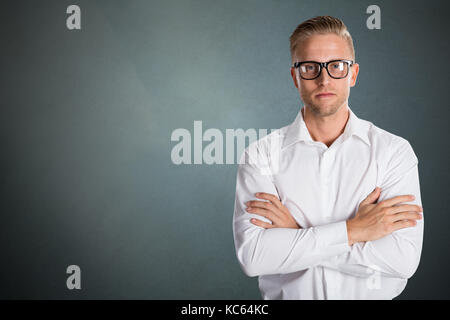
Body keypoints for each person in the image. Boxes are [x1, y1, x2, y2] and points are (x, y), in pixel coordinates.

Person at [232, 16, 424, 300]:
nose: (324, 79)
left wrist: (298, 233)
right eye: (310, 67)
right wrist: (355, 230)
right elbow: (254, 256)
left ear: (353, 74)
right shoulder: (260, 156)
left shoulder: (394, 152)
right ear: (295, 76)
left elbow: (402, 260)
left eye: (336, 66)